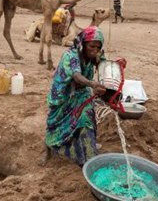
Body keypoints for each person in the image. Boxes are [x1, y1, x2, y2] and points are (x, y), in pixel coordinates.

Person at [40, 26, 107, 166]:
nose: (94, 50)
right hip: (63, 95)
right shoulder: (70, 55)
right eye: (92, 46)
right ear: (83, 44)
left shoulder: (94, 55)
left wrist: (117, 65)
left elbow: (104, 64)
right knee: (54, 124)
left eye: (98, 47)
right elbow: (76, 76)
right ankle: (47, 149)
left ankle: (89, 153)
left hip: (81, 93)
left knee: (86, 118)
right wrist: (92, 84)